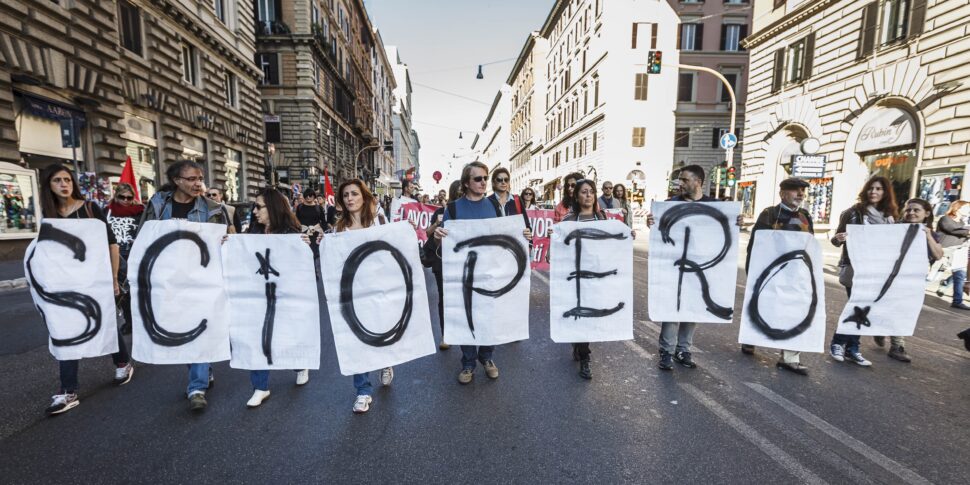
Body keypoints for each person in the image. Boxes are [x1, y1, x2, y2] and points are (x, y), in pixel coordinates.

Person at [38, 164, 134, 415]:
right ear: (48, 185)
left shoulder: (91, 209)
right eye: (57, 180)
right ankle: (68, 390)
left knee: (107, 323)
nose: (63, 184)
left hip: (96, 279)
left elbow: (112, 245)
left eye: (67, 179)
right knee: (66, 329)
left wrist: (114, 278)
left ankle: (122, 362)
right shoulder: (49, 215)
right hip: (65, 283)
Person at [140, 159, 232, 411]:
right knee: (182, 326)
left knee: (197, 326)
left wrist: (225, 240)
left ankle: (197, 387)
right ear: (177, 181)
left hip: (203, 279)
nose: (198, 184)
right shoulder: (158, 206)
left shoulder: (213, 208)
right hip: (171, 279)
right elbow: (144, 237)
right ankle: (204, 365)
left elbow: (231, 238)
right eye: (191, 179)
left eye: (200, 178)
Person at [433, 162, 533, 384]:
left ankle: (487, 357)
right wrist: (438, 236)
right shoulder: (453, 208)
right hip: (463, 274)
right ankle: (468, 363)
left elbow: (507, 234)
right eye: (478, 179)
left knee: (490, 315)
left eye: (485, 178)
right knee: (465, 315)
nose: (483, 182)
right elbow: (444, 243)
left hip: (490, 271)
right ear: (467, 182)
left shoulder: (494, 206)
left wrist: (523, 235)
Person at [645, 165, 743, 371]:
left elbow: (723, 230)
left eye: (684, 180)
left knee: (692, 307)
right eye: (679, 180)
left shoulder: (715, 205)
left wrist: (737, 222)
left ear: (698, 181)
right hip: (674, 265)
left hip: (701, 266)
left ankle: (683, 349)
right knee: (672, 308)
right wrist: (651, 221)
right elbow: (659, 227)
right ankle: (666, 351)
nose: (680, 183)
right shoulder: (670, 204)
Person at [324, 179, 395, 414]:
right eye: (345, 195)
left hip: (379, 288)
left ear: (363, 196)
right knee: (356, 340)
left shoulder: (378, 220)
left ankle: (386, 361)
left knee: (380, 332)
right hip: (352, 292)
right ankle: (363, 391)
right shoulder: (338, 228)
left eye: (354, 194)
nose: (350, 199)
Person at [239, 188, 312, 407]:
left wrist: (305, 246)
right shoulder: (251, 233)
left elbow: (302, 267)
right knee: (257, 338)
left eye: (259, 207)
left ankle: (299, 364)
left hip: (283, 296)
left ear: (272, 208)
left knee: (284, 335)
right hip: (258, 296)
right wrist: (229, 245)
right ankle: (260, 387)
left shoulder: (291, 234)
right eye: (254, 206)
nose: (254, 211)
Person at [739, 178, 815, 375]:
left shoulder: (806, 216)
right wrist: (753, 272)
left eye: (802, 191)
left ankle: (790, 358)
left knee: (795, 312)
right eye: (795, 191)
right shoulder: (769, 214)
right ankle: (751, 339)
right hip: (771, 273)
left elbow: (811, 246)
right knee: (762, 307)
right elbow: (757, 244)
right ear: (782, 194)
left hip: (795, 275)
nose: (800, 194)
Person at [829, 176, 897, 367]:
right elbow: (835, 240)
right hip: (856, 267)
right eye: (871, 188)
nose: (874, 192)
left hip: (878, 269)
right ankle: (839, 343)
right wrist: (839, 238)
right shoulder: (853, 212)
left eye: (878, 189)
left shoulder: (889, 217)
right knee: (856, 305)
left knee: (864, 307)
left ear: (885, 193)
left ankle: (852, 348)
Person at [867, 198, 945, 363]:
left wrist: (928, 235)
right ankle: (896, 345)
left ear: (927, 213)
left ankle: (887, 335)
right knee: (896, 309)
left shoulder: (931, 233)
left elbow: (938, 255)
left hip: (913, 281)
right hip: (891, 277)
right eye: (908, 210)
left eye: (916, 210)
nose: (911, 213)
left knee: (902, 311)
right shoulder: (895, 229)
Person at [558, 179, 615, 380]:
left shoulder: (603, 218)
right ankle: (585, 358)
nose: (588, 195)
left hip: (596, 277)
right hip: (575, 277)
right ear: (577, 196)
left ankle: (580, 346)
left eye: (591, 191)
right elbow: (558, 250)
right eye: (584, 192)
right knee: (580, 317)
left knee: (588, 318)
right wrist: (554, 242)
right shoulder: (568, 220)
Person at [426, 180, 462, 351]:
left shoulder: (468, 212)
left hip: (463, 261)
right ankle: (445, 335)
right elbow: (427, 233)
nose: (462, 195)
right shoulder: (441, 212)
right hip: (442, 261)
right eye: (459, 192)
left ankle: (462, 330)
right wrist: (436, 224)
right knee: (444, 298)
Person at [106, 183, 144, 335]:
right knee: (123, 293)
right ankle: (129, 322)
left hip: (134, 255)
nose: (126, 200)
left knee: (137, 291)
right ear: (116, 196)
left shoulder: (140, 212)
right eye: (122, 197)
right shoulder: (107, 212)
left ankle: (140, 321)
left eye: (129, 197)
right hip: (115, 257)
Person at [936, 200, 970, 310]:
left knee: (960, 275)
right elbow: (952, 229)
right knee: (932, 276)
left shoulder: (962, 222)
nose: (969, 210)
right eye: (966, 208)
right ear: (957, 208)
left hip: (958, 251)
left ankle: (957, 301)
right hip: (944, 251)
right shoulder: (945, 219)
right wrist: (967, 232)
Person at [293, 189, 327, 274]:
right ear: (304, 196)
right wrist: (297, 232)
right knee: (304, 253)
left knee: (315, 254)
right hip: (303, 234)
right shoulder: (300, 207)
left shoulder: (318, 208)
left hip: (316, 235)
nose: (308, 197)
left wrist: (323, 231)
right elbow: (296, 221)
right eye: (307, 195)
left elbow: (323, 222)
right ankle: (305, 271)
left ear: (314, 196)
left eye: (311, 195)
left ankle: (315, 271)